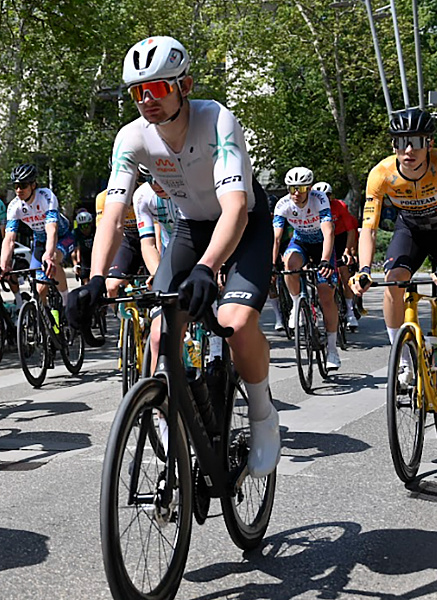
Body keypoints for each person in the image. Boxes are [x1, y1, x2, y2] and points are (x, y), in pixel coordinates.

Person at [68, 36, 279, 478]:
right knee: (161, 331)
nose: (147, 100)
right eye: (137, 92)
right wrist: (93, 277)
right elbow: (113, 212)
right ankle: (165, 412)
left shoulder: (216, 119)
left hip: (243, 224)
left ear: (185, 85)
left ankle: (262, 416)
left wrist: (208, 267)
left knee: (237, 323)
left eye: (159, 88)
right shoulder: (132, 136)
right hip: (191, 227)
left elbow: (237, 209)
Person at [352, 107, 437, 418]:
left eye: (416, 141)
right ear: (393, 145)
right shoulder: (381, 174)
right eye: (401, 142)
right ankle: (403, 360)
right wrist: (363, 269)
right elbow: (368, 227)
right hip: (409, 229)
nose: (408, 149)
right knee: (393, 283)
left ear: (429, 144)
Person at [273, 167, 341, 371]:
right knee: (289, 265)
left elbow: (328, 232)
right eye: (292, 188)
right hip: (300, 242)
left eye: (301, 188)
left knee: (325, 295)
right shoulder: (283, 204)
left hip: (321, 245)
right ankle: (297, 305)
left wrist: (326, 260)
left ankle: (332, 349)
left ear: (309, 188)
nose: (296, 192)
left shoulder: (319, 199)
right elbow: (277, 237)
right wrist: (270, 264)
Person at [0, 164, 75, 329]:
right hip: (40, 241)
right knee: (39, 289)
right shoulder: (14, 206)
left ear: (33, 185)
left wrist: (49, 254)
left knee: (53, 259)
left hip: (62, 237)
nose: (19, 190)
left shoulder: (46, 196)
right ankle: (48, 324)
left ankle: (66, 304)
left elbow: (51, 229)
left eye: (23, 185)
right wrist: (4, 265)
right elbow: (9, 239)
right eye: (16, 186)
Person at [314, 181, 360, 330]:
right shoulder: (312, 206)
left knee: (344, 271)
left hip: (339, 238)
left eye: (327, 196)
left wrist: (348, 250)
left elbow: (351, 230)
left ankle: (350, 311)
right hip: (321, 240)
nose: (324, 198)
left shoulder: (339, 206)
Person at [96, 168, 147, 297]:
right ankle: (118, 316)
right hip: (126, 240)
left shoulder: (147, 191)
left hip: (148, 237)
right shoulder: (104, 198)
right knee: (111, 287)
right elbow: (104, 234)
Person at [132, 167, 179, 278]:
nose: (155, 185)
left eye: (159, 179)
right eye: (148, 180)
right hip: (170, 249)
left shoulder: (190, 187)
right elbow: (148, 244)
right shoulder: (142, 196)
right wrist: (157, 276)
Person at [72, 210, 96, 284]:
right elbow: (74, 252)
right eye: (81, 226)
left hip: (96, 254)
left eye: (86, 225)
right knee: (85, 279)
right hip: (84, 257)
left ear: (91, 224)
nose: (84, 229)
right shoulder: (76, 233)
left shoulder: (96, 230)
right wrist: (76, 265)